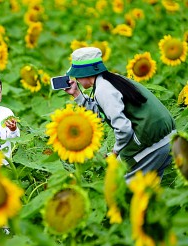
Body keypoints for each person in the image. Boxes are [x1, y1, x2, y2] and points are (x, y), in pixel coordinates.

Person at [64, 47, 176, 180]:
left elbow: (123, 128)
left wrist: (115, 152)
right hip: (167, 138)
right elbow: (102, 114)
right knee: (148, 194)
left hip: (151, 144)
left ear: (84, 73)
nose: (76, 79)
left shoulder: (103, 90)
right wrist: (77, 94)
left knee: (120, 190)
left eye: (76, 75)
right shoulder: (111, 80)